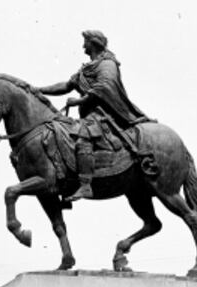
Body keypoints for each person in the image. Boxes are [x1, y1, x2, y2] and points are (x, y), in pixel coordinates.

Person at [37, 30, 150, 202]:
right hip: (90, 115)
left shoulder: (107, 64)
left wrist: (79, 100)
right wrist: (39, 90)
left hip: (104, 114)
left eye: (85, 42)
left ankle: (85, 185)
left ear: (94, 43)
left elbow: (104, 86)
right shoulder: (88, 67)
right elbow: (67, 85)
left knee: (83, 137)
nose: (83, 46)